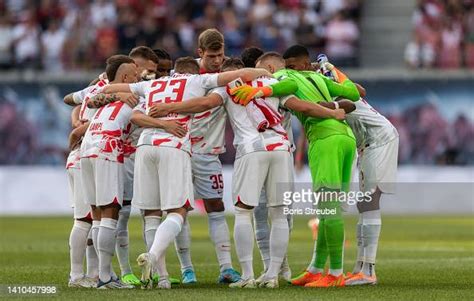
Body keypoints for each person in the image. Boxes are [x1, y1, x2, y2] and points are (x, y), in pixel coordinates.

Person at [147, 57, 346, 289]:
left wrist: (168, 107)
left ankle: (248, 275)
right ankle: (272, 275)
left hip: (251, 149)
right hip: (281, 148)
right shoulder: (268, 84)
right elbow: (302, 106)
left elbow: (202, 104)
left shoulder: (227, 87)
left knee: (243, 213)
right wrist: (331, 113)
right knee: (279, 214)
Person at [102, 56, 273, 289]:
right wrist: (262, 72)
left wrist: (117, 92)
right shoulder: (198, 81)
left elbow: (110, 88)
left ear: (174, 71)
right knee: (178, 211)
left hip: (144, 146)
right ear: (195, 71)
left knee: (152, 213)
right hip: (174, 146)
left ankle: (160, 279)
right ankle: (152, 255)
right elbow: (234, 77)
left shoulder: (152, 84)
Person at [231, 46, 360, 287]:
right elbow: (353, 92)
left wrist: (259, 90)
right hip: (346, 138)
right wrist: (333, 96)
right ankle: (316, 268)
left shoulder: (283, 75)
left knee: (329, 207)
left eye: (261, 72)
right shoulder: (318, 76)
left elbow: (288, 88)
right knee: (327, 209)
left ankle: (335, 274)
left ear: (270, 68)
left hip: (324, 139)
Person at [79, 55, 138, 289]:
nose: (138, 78)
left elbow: (91, 99)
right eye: (134, 75)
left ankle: (100, 273)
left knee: (97, 214)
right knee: (110, 212)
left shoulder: (103, 98)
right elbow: (143, 116)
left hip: (88, 148)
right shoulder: (135, 96)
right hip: (108, 148)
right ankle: (104, 277)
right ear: (124, 77)